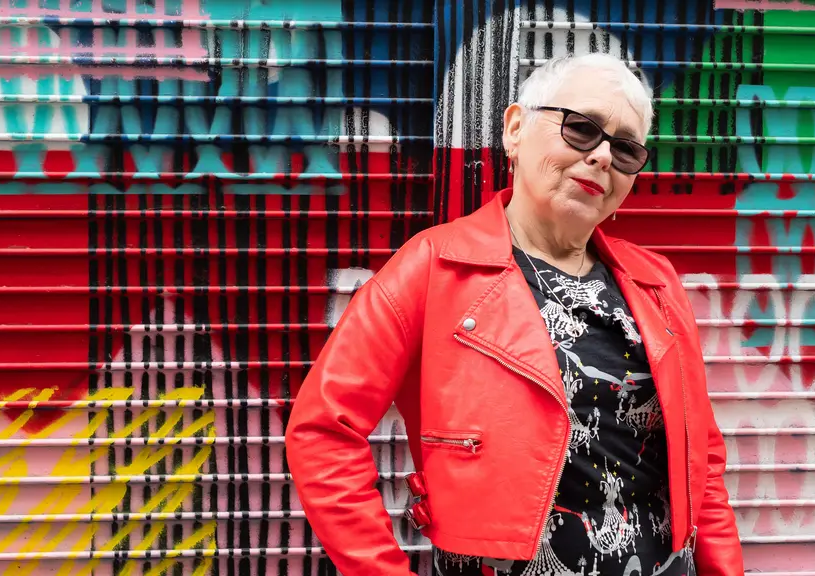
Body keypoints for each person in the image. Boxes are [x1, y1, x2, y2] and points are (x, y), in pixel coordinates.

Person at [284, 52, 743, 576]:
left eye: (625, 148)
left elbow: (701, 457)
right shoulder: (435, 266)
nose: (601, 157)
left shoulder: (656, 281)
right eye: (581, 129)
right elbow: (323, 430)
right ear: (516, 129)